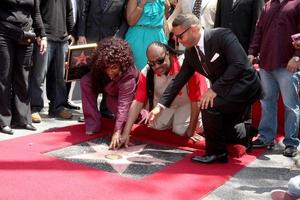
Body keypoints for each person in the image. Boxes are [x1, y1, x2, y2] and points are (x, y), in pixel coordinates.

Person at [147, 13, 263, 164]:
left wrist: (214, 89)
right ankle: (246, 133)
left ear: (194, 29)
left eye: (180, 36)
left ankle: (217, 153)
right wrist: (160, 106)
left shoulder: (221, 35)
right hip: (226, 90)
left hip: (244, 86)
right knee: (230, 134)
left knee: (207, 104)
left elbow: (239, 64)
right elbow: (179, 80)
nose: (177, 40)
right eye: (175, 36)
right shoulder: (191, 53)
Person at [109, 41, 208, 149]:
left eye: (160, 61)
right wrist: (125, 133)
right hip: (163, 106)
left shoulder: (187, 64)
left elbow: (196, 99)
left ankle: (203, 122)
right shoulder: (147, 72)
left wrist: (191, 130)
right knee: (156, 126)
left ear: (168, 54)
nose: (156, 66)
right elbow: (137, 102)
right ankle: (175, 121)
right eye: (152, 63)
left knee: (180, 130)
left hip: (188, 104)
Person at [248, 0, 300, 157]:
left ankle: (291, 142)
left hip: (288, 64)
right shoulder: (268, 5)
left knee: (291, 106)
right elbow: (259, 31)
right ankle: (266, 137)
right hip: (266, 64)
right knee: (267, 102)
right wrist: (252, 52)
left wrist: (297, 57)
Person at [0, 0, 47, 134]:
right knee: (4, 78)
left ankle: (22, 120)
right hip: (4, 33)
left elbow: (36, 12)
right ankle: (3, 121)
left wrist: (42, 35)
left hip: (26, 35)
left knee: (23, 77)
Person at [77, 0, 128, 119]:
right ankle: (89, 113)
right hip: (90, 38)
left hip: (111, 40)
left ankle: (105, 109)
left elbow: (125, 20)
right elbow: (83, 11)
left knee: (109, 75)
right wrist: (81, 34)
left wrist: (118, 37)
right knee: (89, 77)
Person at [80, 37, 139, 136]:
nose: (109, 71)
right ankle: (92, 123)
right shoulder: (100, 66)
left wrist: (117, 131)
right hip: (108, 88)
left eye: (114, 68)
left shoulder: (129, 75)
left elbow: (124, 105)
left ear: (122, 64)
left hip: (127, 100)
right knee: (85, 81)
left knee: (112, 103)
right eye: (106, 67)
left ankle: (138, 118)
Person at [30, 0, 74, 123]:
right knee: (39, 76)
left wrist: (70, 32)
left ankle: (57, 107)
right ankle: (35, 108)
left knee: (59, 77)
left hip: (62, 38)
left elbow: (69, 11)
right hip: (45, 38)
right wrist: (39, 33)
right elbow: (36, 11)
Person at [125, 0, 169, 70]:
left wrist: (165, 38)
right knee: (139, 70)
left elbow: (164, 18)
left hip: (158, 37)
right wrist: (141, 4)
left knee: (160, 70)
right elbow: (131, 21)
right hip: (138, 39)